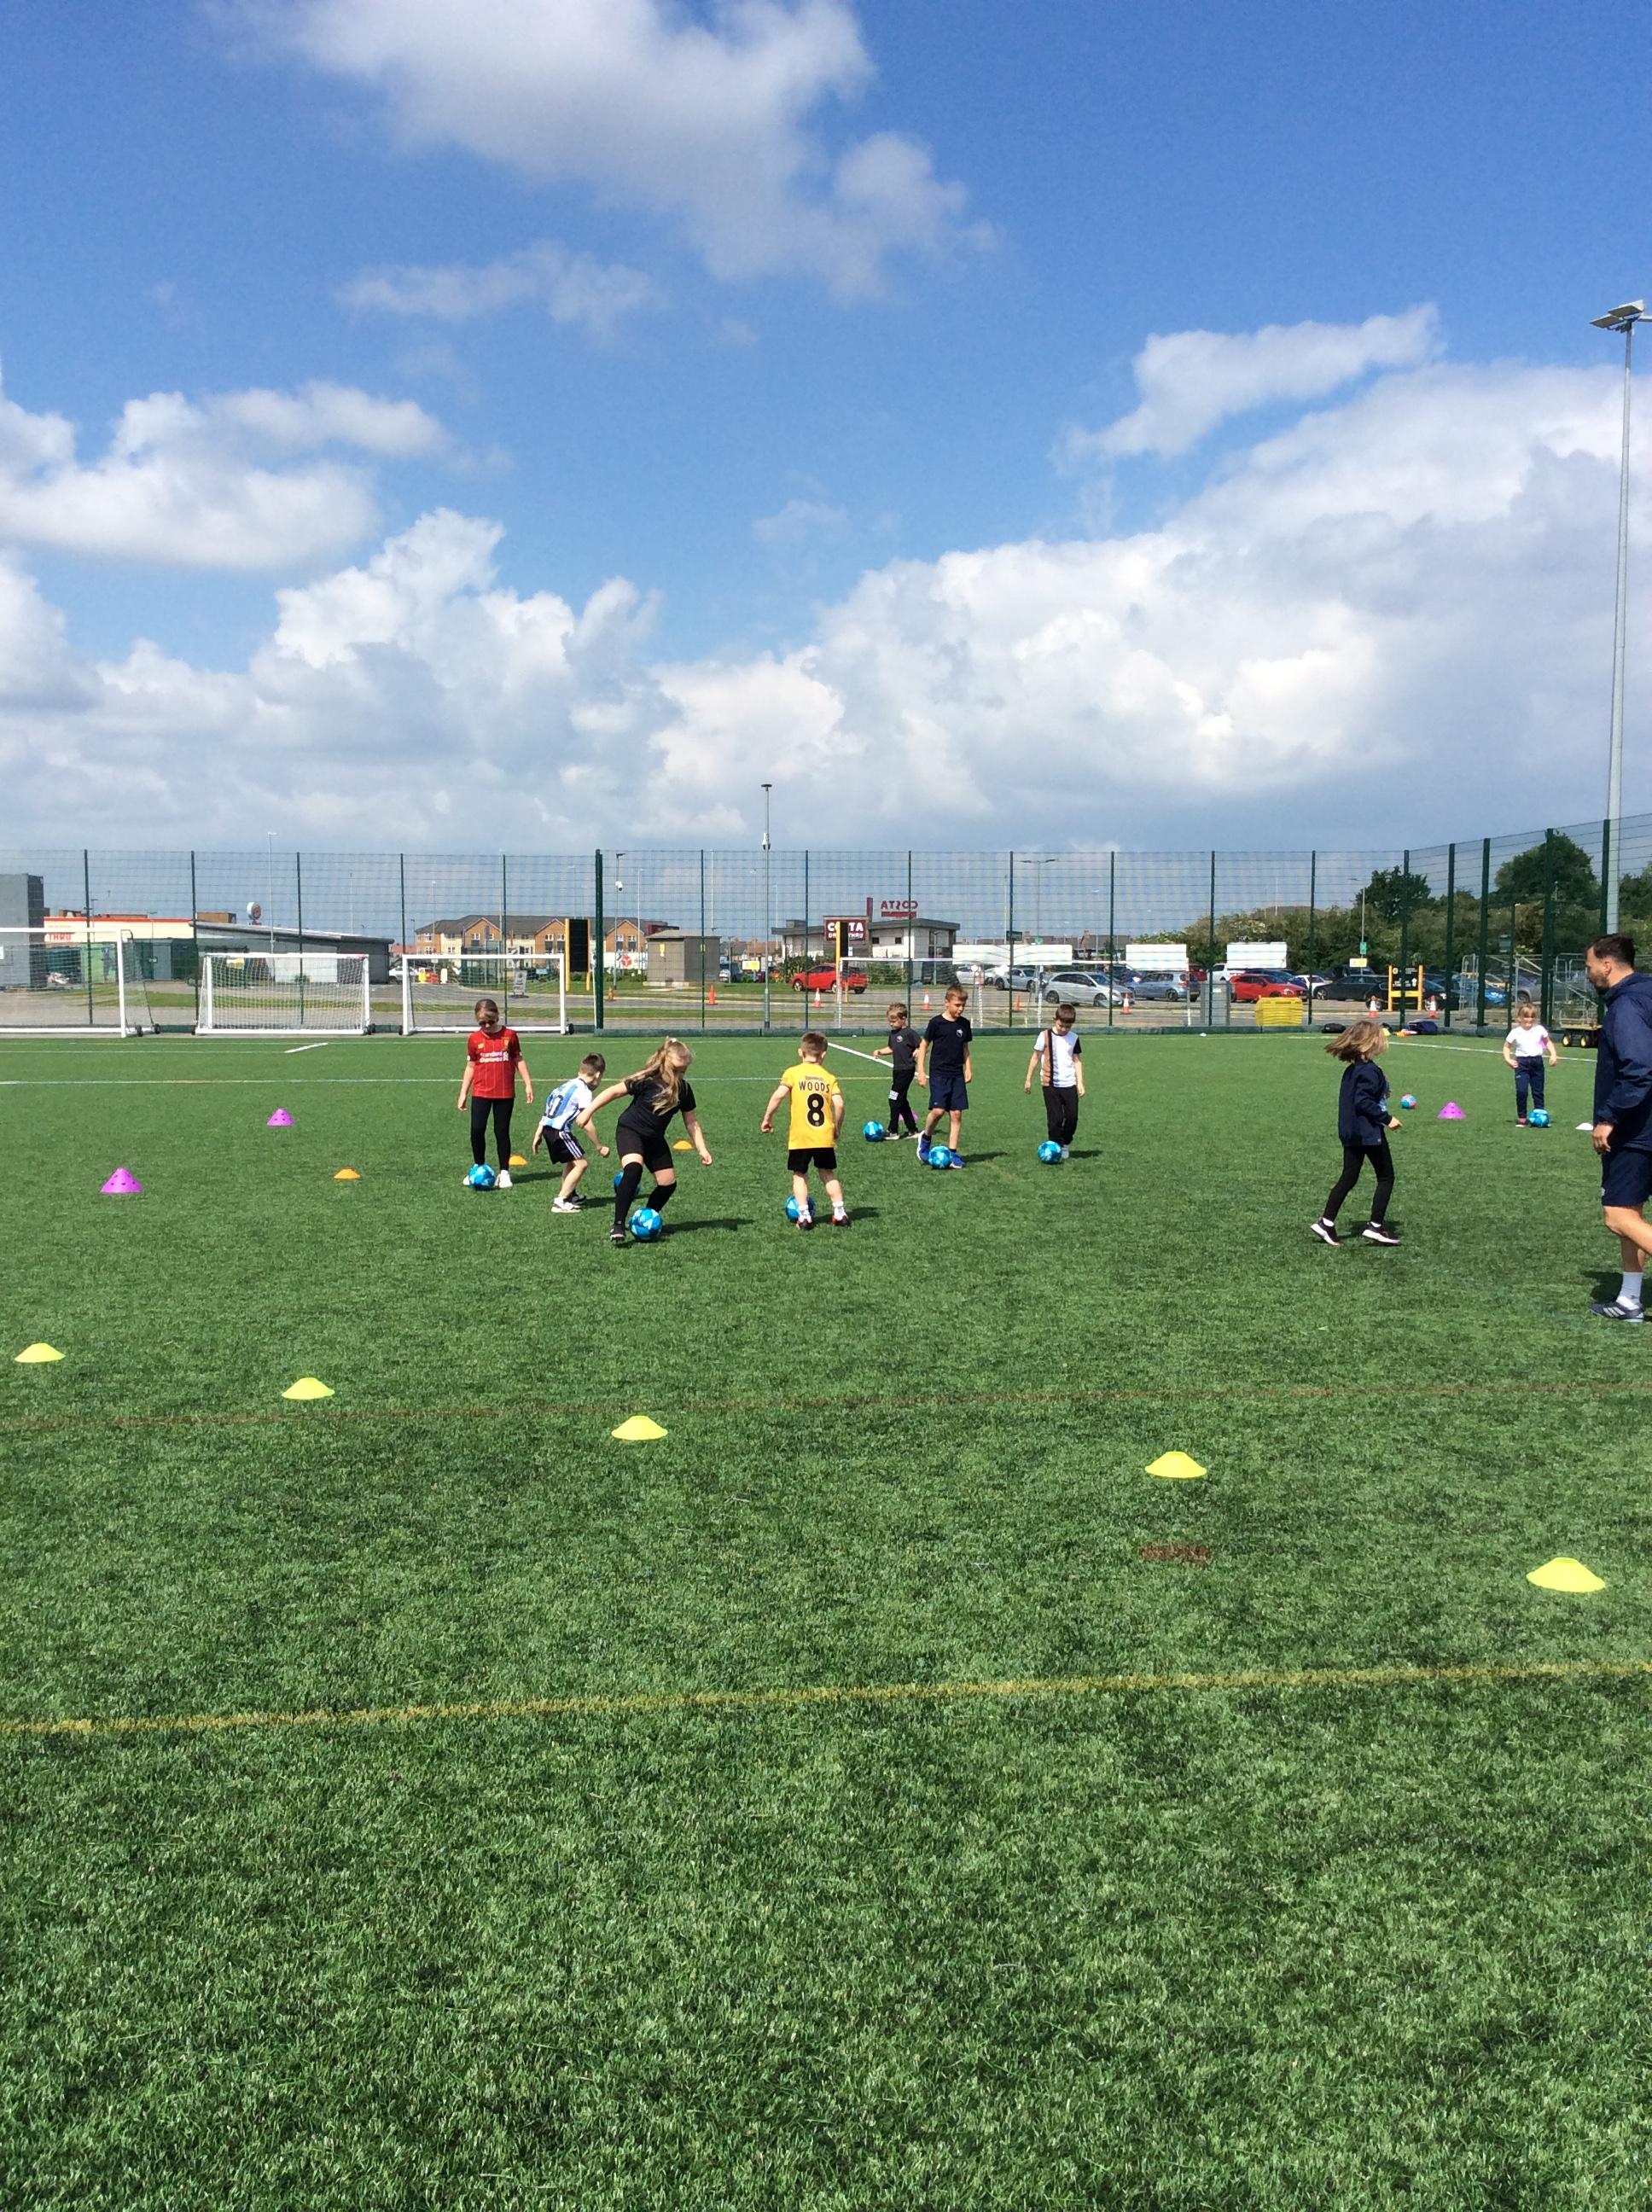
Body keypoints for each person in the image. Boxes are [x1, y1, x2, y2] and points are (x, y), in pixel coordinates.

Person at [1584, 934, 1652, 1323]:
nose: (1588, 973)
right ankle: (1629, 1299)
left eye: (1590, 965)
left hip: (1636, 1127)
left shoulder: (1626, 1005)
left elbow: (1639, 1069)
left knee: (1617, 1215)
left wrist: (1609, 1117)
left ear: (1607, 965)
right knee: (1632, 1212)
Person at [588, 1038, 713, 1245]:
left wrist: (702, 1149)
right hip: (630, 1131)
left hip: (654, 1139)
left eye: (684, 1071)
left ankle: (646, 1218)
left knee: (668, 1184)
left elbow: (691, 1122)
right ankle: (618, 1225)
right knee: (633, 1170)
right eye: (677, 1070)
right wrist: (588, 1112)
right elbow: (614, 1091)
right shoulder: (647, 1079)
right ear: (665, 1063)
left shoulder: (684, 1090)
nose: (681, 1075)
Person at [1311, 1018, 1401, 1246]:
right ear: (1370, 1043)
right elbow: (1363, 1102)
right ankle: (1376, 1227)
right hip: (1367, 1133)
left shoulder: (1353, 1070)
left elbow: (1359, 1096)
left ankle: (1326, 1222)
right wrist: (1387, 1119)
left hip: (1350, 1132)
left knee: (1349, 1177)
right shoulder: (1370, 1071)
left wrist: (1382, 1092)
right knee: (1386, 1177)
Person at [760, 1030, 850, 1229]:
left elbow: (778, 1096)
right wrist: (837, 1128)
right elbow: (840, 1105)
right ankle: (840, 1213)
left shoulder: (793, 1073)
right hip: (823, 1136)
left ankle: (804, 1216)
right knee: (827, 1173)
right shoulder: (829, 1077)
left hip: (801, 1136)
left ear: (800, 1052)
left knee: (800, 1175)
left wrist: (767, 1118)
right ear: (823, 1054)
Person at [457, 997, 532, 1187]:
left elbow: (518, 1060)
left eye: (491, 1022)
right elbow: (471, 1066)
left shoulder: (510, 1036)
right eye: (482, 1023)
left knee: (501, 1131)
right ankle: (478, 1167)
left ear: (498, 1016)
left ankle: (504, 1172)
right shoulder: (474, 1039)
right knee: (477, 1130)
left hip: (505, 1093)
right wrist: (463, 1092)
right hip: (481, 1092)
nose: (487, 1026)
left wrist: (527, 1084)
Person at [532, 1052, 610, 1214]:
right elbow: (586, 1122)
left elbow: (548, 1109)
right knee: (582, 1164)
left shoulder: (565, 1085)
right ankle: (560, 1201)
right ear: (597, 1075)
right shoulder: (584, 1091)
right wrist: (599, 1146)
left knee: (572, 1162)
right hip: (560, 1131)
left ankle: (569, 1196)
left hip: (549, 1129)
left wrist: (538, 1133)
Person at [915, 984, 974, 1165]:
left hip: (957, 1074)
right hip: (939, 1074)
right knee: (938, 1111)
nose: (960, 1009)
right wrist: (921, 1071)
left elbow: (965, 1048)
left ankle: (953, 1153)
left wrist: (968, 1068)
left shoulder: (964, 1024)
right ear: (946, 1003)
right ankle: (925, 1138)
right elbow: (924, 1046)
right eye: (957, 1005)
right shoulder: (936, 1023)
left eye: (963, 1005)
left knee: (956, 1114)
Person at [1023, 1001, 1085, 1157]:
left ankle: (1065, 1143)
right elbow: (1035, 1058)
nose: (1064, 1029)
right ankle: (1055, 1146)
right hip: (1050, 1084)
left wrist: (1080, 1082)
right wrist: (1028, 1079)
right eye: (1061, 1025)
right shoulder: (1044, 1036)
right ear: (1055, 1019)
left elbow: (1077, 1061)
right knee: (1055, 1119)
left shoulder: (1074, 1038)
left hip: (1069, 1084)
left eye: (1067, 1027)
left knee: (1072, 1117)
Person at [870, 1002, 922, 1138]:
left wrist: (918, 1050)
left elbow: (922, 1045)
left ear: (903, 1019)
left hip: (907, 1070)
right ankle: (912, 1130)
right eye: (890, 1022)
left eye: (894, 1021)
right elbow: (891, 1048)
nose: (891, 1024)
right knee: (902, 1100)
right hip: (897, 1070)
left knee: (893, 1099)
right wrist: (880, 1051)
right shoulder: (893, 1034)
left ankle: (893, 1130)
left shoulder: (910, 1033)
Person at [1502, 999, 1558, 1123]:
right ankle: (1522, 1117)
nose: (1529, 1020)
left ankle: (1540, 1116)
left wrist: (1553, 1054)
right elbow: (1506, 1047)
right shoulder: (1515, 1032)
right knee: (1522, 1091)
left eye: (1532, 1017)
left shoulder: (1539, 1029)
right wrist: (1508, 1059)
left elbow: (1548, 1042)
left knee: (1538, 1091)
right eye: (1526, 1017)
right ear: (1520, 1018)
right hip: (1522, 1064)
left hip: (1537, 1063)